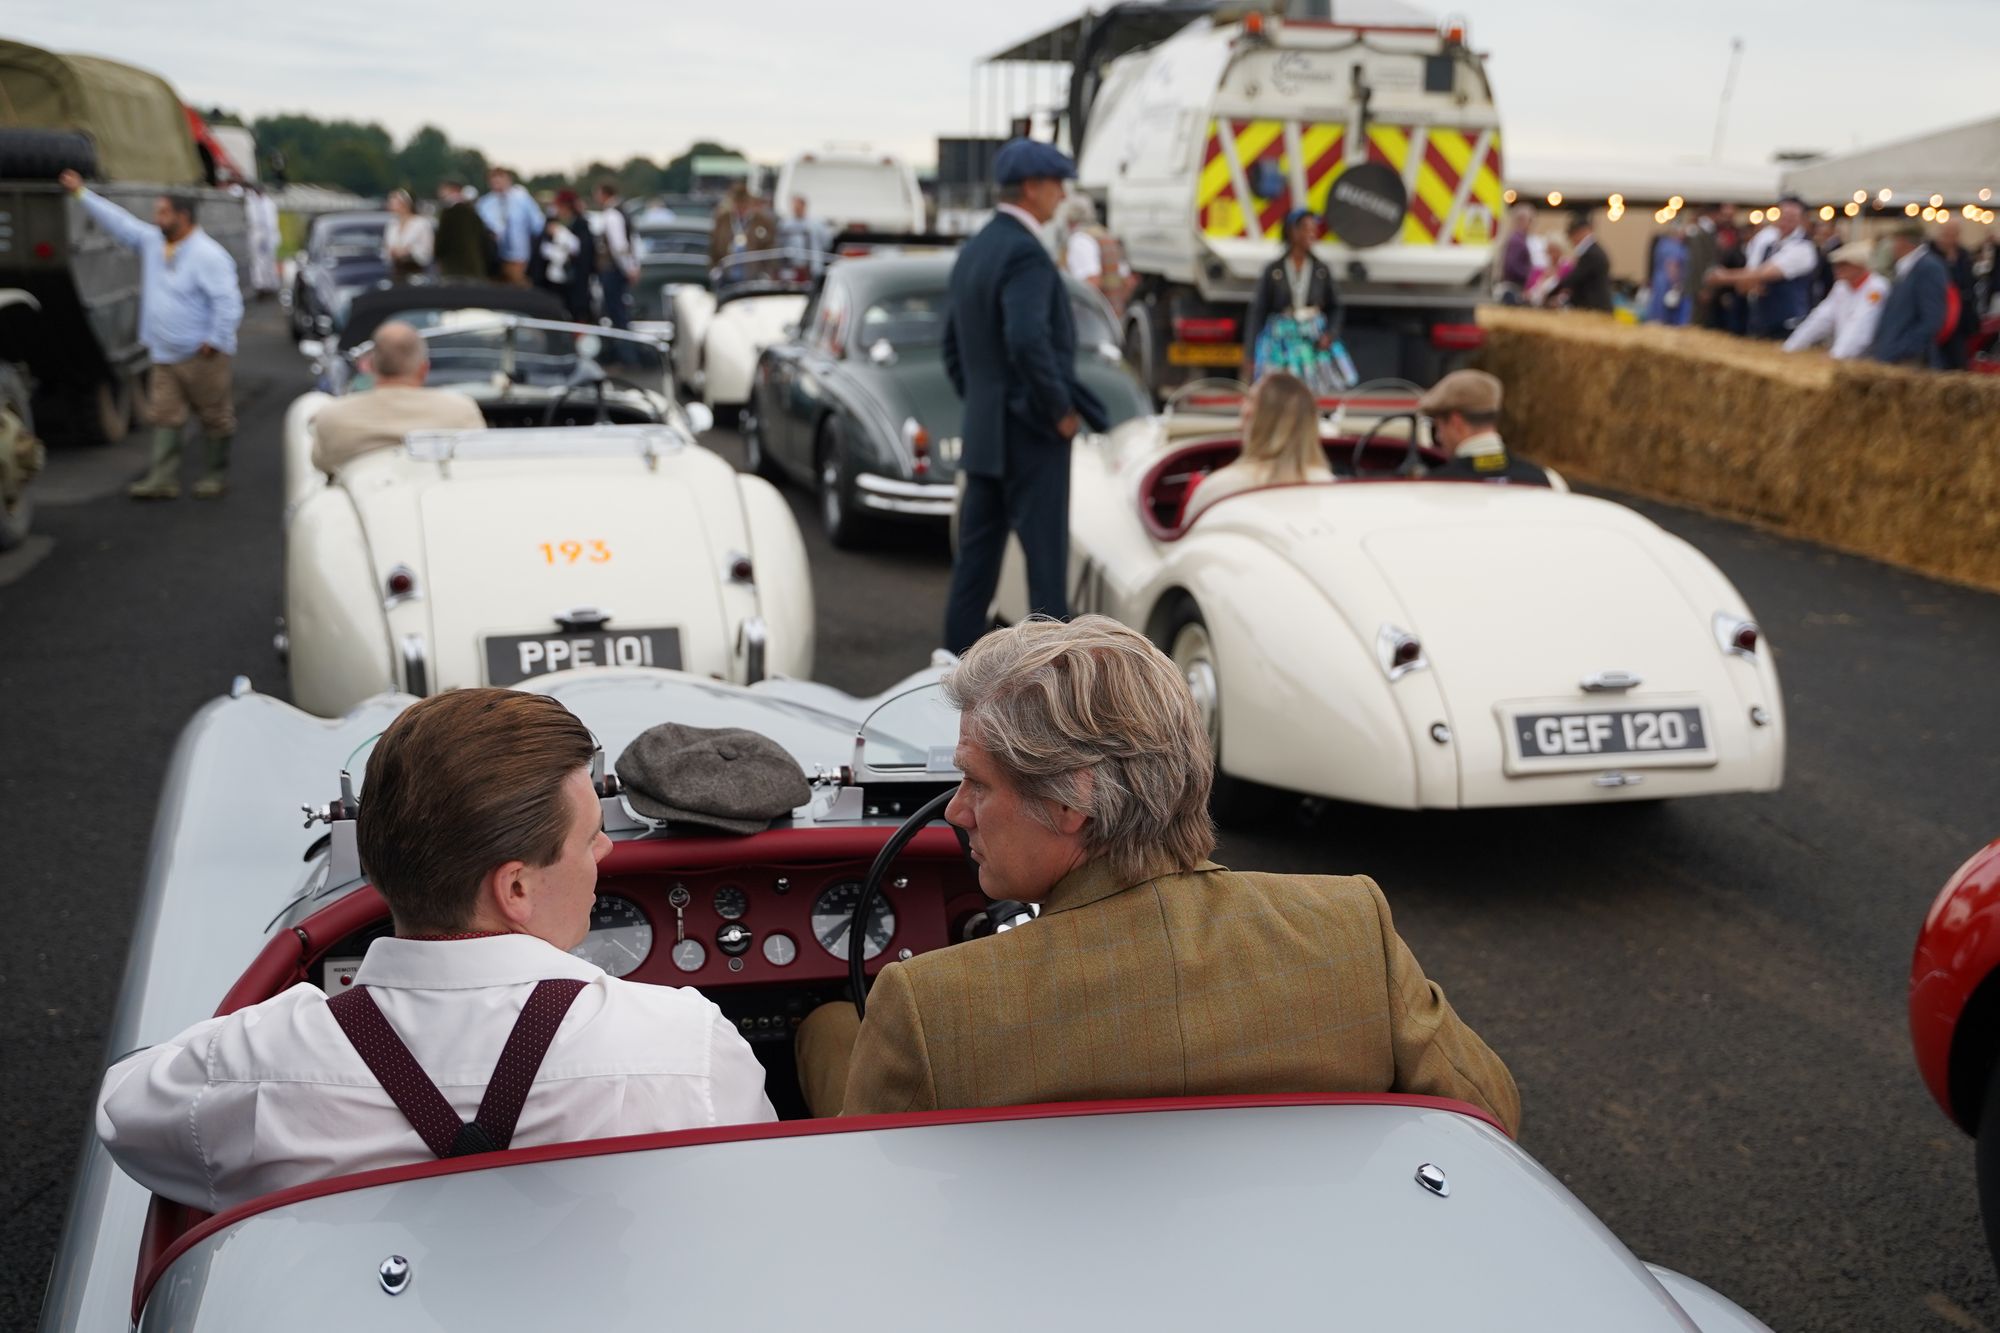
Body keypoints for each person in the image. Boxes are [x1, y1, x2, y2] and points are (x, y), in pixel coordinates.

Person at [792, 616, 1520, 1133]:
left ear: (1074, 797)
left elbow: (877, 1205)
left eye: (978, 783)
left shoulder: (929, 1009)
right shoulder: (1349, 927)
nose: (955, 812)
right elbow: (1489, 1117)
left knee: (824, 1028)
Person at [96, 688, 775, 1212]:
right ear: (514, 886)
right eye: (591, 835)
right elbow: (746, 1209)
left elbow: (123, 1107)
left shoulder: (246, 1067)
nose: (608, 852)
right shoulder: (687, 1048)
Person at [939, 138, 1109, 656]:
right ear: (1032, 188)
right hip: (1032, 439)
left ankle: (951, 682)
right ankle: (1049, 711)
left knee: (973, 575)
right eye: (1056, 184)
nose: (1061, 195)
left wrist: (986, 405)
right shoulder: (1025, 253)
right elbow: (1027, 340)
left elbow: (953, 348)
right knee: (1047, 586)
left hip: (987, 437)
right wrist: (1059, 410)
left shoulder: (977, 247)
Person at [58, 170, 243, 500]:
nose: (156, 218)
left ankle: (216, 475)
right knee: (165, 416)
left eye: (163, 212)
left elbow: (228, 302)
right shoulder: (154, 242)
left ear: (182, 217)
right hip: (165, 353)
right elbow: (120, 223)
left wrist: (215, 340)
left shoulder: (208, 255)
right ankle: (163, 479)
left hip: (203, 355)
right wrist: (81, 194)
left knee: (214, 416)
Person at [308, 320, 485, 474]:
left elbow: (321, 464)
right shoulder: (460, 410)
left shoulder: (332, 416)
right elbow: (478, 463)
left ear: (371, 366)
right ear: (424, 369)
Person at [1179, 371, 1330, 525]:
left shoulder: (1219, 488)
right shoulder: (1328, 485)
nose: (1242, 405)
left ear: (1252, 417)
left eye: (1250, 399)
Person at [1243, 207, 1342, 379]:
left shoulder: (1321, 270)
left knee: (1309, 386)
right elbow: (1258, 311)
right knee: (1279, 384)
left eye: (1314, 229)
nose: (1312, 233)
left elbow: (1335, 306)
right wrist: (1250, 352)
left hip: (1310, 339)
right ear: (1292, 232)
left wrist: (1330, 333)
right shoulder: (1274, 270)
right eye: (1306, 228)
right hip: (1281, 338)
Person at [1704, 196, 1817, 339]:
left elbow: (1764, 273)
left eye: (1792, 217)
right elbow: (1749, 276)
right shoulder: (1766, 237)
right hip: (1759, 316)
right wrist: (1749, 281)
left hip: (1788, 322)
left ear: (1802, 220)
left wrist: (1723, 277)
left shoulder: (1803, 248)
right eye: (1783, 215)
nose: (1786, 220)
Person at [1419, 368, 1548, 485]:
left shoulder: (1437, 486)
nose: (1438, 436)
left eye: (1438, 427)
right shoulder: (1542, 478)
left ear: (1456, 422)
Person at [1782, 242, 1889, 361]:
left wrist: (1836, 356)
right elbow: (1820, 318)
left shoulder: (1877, 289)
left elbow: (1862, 325)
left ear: (1859, 266)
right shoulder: (1841, 287)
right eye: (1836, 264)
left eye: (1844, 264)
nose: (1837, 269)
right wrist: (1790, 347)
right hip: (1846, 356)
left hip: (1867, 359)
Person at [1871, 223, 1951, 367]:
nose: (1890, 246)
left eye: (1893, 240)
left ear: (1903, 241)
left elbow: (1932, 319)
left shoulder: (1929, 268)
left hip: (1909, 361)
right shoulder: (1907, 267)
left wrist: (1902, 349)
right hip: (1894, 356)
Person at [1059, 195, 1133, 323]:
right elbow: (1128, 282)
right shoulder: (1107, 236)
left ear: (1070, 220)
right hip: (1114, 320)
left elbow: (1092, 281)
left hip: (1092, 322)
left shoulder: (1080, 240)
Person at [477, 167, 544, 286]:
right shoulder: (484, 204)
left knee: (517, 285)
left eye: (500, 180)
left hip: (518, 255)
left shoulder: (522, 200)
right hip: (494, 257)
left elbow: (537, 225)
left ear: (509, 180)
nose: (498, 185)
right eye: (494, 182)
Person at [1932, 217, 1981, 370]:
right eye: (1948, 233)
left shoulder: (1964, 255)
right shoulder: (1931, 255)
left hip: (1961, 318)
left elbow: (1970, 283)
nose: (1951, 238)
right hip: (1941, 316)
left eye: (1955, 234)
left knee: (1959, 361)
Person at [542, 190, 596, 323]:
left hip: (576, 285)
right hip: (563, 284)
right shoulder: (562, 224)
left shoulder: (581, 226)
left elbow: (583, 256)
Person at [590, 181, 638, 330]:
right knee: (618, 311)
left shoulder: (612, 214)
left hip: (613, 269)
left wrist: (628, 268)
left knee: (616, 313)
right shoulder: (622, 211)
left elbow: (619, 247)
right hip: (617, 268)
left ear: (604, 194)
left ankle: (624, 349)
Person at [709, 183, 777, 276]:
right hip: (726, 271)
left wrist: (766, 271)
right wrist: (714, 268)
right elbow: (714, 246)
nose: (740, 210)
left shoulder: (762, 221)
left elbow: (770, 247)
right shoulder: (722, 220)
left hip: (753, 273)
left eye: (743, 206)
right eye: (737, 206)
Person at [1550, 210, 1612, 312]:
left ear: (1582, 232)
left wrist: (1551, 293)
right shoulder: (1593, 251)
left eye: (1573, 235)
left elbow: (1574, 278)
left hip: (1595, 309)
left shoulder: (1591, 254)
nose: (1571, 240)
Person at [434, 178, 493, 280]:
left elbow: (440, 243)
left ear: (454, 190)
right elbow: (484, 241)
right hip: (474, 268)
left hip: (452, 270)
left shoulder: (447, 213)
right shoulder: (473, 213)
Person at [1644, 221, 1691, 325]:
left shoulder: (1662, 243)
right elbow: (1672, 266)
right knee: (1668, 316)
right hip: (1669, 284)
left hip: (1659, 282)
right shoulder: (1674, 246)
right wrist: (1676, 285)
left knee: (1657, 314)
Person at [383, 188, 434, 282]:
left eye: (394, 201)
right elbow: (386, 248)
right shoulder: (392, 224)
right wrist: (392, 252)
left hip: (416, 272)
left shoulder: (421, 223)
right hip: (396, 272)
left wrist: (409, 251)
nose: (390, 204)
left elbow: (427, 252)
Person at [776, 194, 833, 278]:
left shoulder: (816, 224)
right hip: (791, 269)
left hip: (813, 267)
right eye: (794, 206)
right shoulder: (785, 225)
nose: (795, 209)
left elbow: (826, 243)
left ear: (804, 206)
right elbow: (780, 244)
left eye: (798, 206)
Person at [244, 182, 281, 297]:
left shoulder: (268, 203)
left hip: (268, 233)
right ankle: (261, 285)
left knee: (269, 260)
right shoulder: (252, 202)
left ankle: (270, 284)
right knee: (258, 260)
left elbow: (271, 222)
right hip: (257, 232)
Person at [1495, 203, 1535, 304]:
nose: (1531, 225)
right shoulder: (1517, 241)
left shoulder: (1516, 238)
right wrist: (1529, 275)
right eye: (1529, 221)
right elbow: (1511, 265)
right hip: (1513, 286)